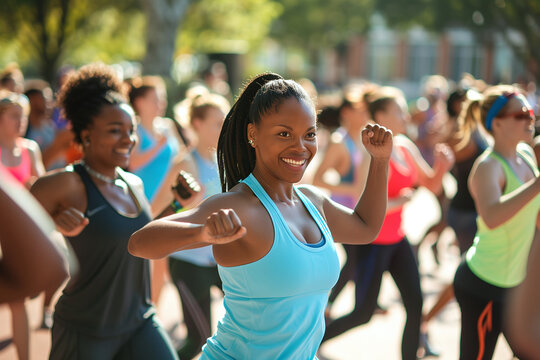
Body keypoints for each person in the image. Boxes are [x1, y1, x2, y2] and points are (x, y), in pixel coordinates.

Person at [128, 72, 393, 359]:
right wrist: (200, 233)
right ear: (253, 134)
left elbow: (366, 228)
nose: (301, 147)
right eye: (284, 134)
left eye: (310, 134)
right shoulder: (241, 205)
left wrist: (380, 161)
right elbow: (139, 243)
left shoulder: (312, 202)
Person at [29, 64, 178, 360]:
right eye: (115, 131)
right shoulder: (64, 184)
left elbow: (144, 240)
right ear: (86, 135)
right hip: (86, 330)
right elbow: (15, 238)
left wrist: (178, 204)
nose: (128, 140)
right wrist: (52, 229)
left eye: (131, 130)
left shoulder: (132, 182)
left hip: (139, 321)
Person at [321, 86, 454, 360]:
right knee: (363, 313)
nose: (406, 115)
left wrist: (442, 166)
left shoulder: (404, 146)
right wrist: (399, 202)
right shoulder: (367, 150)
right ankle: (308, 342)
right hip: (372, 241)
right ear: (380, 115)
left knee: (415, 304)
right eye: (399, 111)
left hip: (397, 238)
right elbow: (360, 199)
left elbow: (429, 183)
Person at [452, 85, 540, 360]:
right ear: (497, 123)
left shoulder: (525, 154)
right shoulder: (488, 166)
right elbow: (491, 217)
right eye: (521, 114)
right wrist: (537, 185)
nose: (530, 117)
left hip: (516, 285)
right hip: (484, 286)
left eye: (531, 111)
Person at [167, 93, 229, 359]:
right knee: (199, 340)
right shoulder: (185, 163)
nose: (223, 127)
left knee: (258, 315)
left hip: (219, 260)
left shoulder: (222, 161)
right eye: (217, 122)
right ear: (197, 123)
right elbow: (156, 211)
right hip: (188, 263)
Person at [311, 90, 372, 317]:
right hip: (343, 210)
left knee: (359, 260)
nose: (366, 113)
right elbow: (318, 178)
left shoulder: (364, 137)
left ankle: (359, 301)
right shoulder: (339, 141)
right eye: (361, 109)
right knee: (354, 261)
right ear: (346, 112)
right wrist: (352, 189)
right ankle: (327, 306)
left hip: (361, 209)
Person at [0, 90, 46, 360]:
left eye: (24, 116)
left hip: (18, 239)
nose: (21, 121)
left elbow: (43, 189)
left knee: (19, 302)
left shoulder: (30, 149)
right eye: (15, 116)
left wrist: (35, 189)